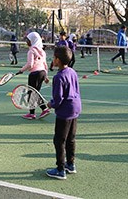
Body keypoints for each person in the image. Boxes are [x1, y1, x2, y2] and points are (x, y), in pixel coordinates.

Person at [45, 46, 82, 180]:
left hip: (65, 112)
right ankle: (70, 164)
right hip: (75, 109)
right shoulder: (72, 71)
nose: (52, 60)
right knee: (71, 139)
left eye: (54, 57)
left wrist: (51, 104)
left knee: (59, 140)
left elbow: (58, 99)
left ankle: (60, 169)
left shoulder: (58, 77)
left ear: (58, 60)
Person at [16, 32, 51, 120]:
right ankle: (34, 112)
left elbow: (30, 65)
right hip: (42, 73)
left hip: (34, 74)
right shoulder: (42, 51)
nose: (26, 42)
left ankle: (42, 110)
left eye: (28, 40)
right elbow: (45, 65)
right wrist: (46, 76)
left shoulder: (31, 51)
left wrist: (21, 70)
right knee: (35, 93)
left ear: (32, 41)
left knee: (32, 93)